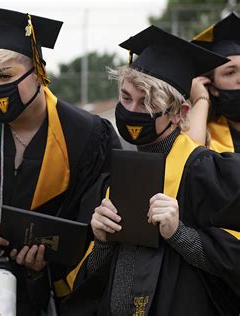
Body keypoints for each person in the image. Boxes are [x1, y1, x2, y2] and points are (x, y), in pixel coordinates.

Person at [0, 4, 121, 315]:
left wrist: (42, 263)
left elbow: (91, 220)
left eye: (4, 75)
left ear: (39, 73)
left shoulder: (84, 136)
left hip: (43, 293)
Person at [60, 26, 240, 315]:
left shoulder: (206, 172)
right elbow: (86, 284)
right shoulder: (113, 176)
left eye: (148, 103)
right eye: (127, 98)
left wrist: (180, 234)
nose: (132, 111)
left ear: (180, 113)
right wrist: (103, 241)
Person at [188, 12, 240, 152]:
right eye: (230, 72)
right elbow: (188, 159)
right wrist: (201, 99)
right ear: (212, 87)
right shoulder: (204, 134)